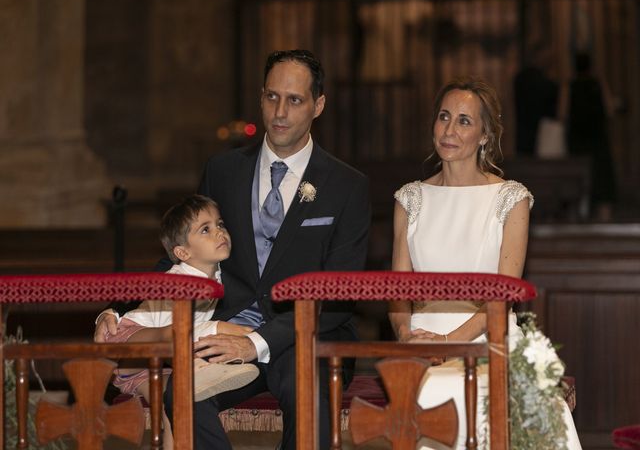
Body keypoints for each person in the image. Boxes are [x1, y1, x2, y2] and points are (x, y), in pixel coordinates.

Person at [96, 49, 371, 449]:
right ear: (260, 98)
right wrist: (118, 311)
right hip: (222, 328)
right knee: (180, 393)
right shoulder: (223, 171)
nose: (280, 111)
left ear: (318, 105)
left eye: (294, 100)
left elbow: (340, 293)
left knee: (306, 393)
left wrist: (257, 342)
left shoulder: (346, 185)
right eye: (271, 96)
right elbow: (183, 253)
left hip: (305, 337)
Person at [389, 77, 581, 449]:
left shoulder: (510, 199)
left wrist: (449, 343)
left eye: (464, 121)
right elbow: (397, 294)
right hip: (421, 344)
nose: (449, 129)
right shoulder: (410, 199)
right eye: (444, 117)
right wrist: (406, 339)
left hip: (490, 338)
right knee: (428, 401)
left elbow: (502, 297)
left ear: (484, 136)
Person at [103, 194, 259, 448]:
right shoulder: (176, 281)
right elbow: (172, 332)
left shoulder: (218, 276)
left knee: (175, 403)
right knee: (182, 335)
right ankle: (199, 368)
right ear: (182, 252)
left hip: (161, 366)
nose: (219, 232)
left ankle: (197, 373)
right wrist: (223, 329)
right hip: (129, 344)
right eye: (206, 229)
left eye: (220, 224)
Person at [567, 52, 617, 221]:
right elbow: (610, 110)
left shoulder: (571, 86)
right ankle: (605, 225)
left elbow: (561, 113)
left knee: (578, 186)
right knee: (603, 184)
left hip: (577, 141)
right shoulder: (597, 84)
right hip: (598, 141)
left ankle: (580, 222)